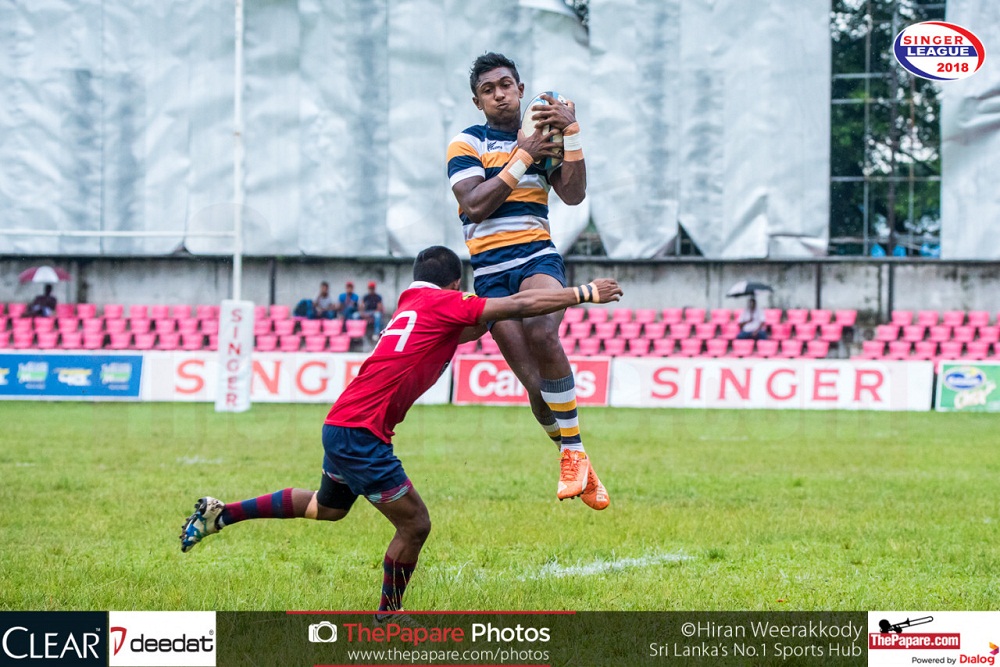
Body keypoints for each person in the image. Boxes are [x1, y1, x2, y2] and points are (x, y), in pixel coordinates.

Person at [180, 246, 622, 618]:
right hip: (361, 434)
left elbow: (471, 327)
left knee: (327, 508)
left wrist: (490, 312)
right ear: (454, 285)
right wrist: (584, 292)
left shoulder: (414, 304)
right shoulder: (445, 303)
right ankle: (389, 615)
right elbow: (521, 306)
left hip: (343, 424)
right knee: (416, 524)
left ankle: (222, 514)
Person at [447, 53, 598, 506]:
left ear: (520, 89)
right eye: (488, 89)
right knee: (534, 385)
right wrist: (521, 158)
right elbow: (475, 205)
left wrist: (571, 136)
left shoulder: (543, 139)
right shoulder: (466, 143)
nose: (499, 93)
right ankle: (577, 460)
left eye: (506, 84)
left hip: (537, 258)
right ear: (478, 101)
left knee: (542, 331)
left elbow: (573, 195)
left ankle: (572, 452)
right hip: (491, 274)